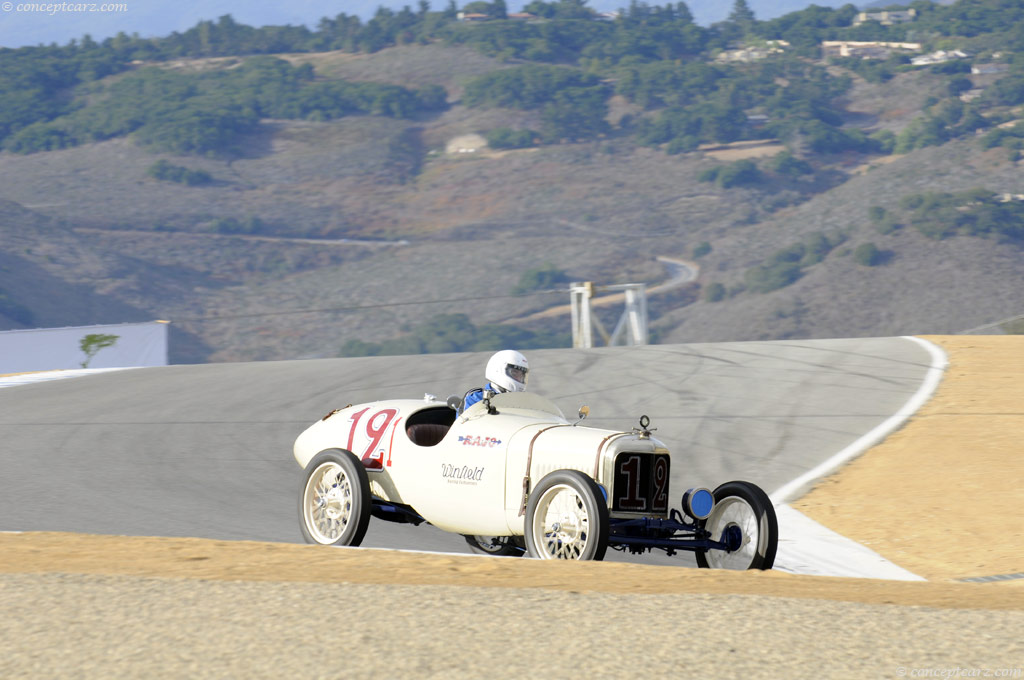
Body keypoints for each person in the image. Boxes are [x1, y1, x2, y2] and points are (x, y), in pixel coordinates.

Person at [457, 349, 529, 416]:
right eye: (515, 373)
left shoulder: (523, 403)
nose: (519, 378)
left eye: (521, 375)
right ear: (497, 370)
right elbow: (463, 424)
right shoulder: (476, 398)